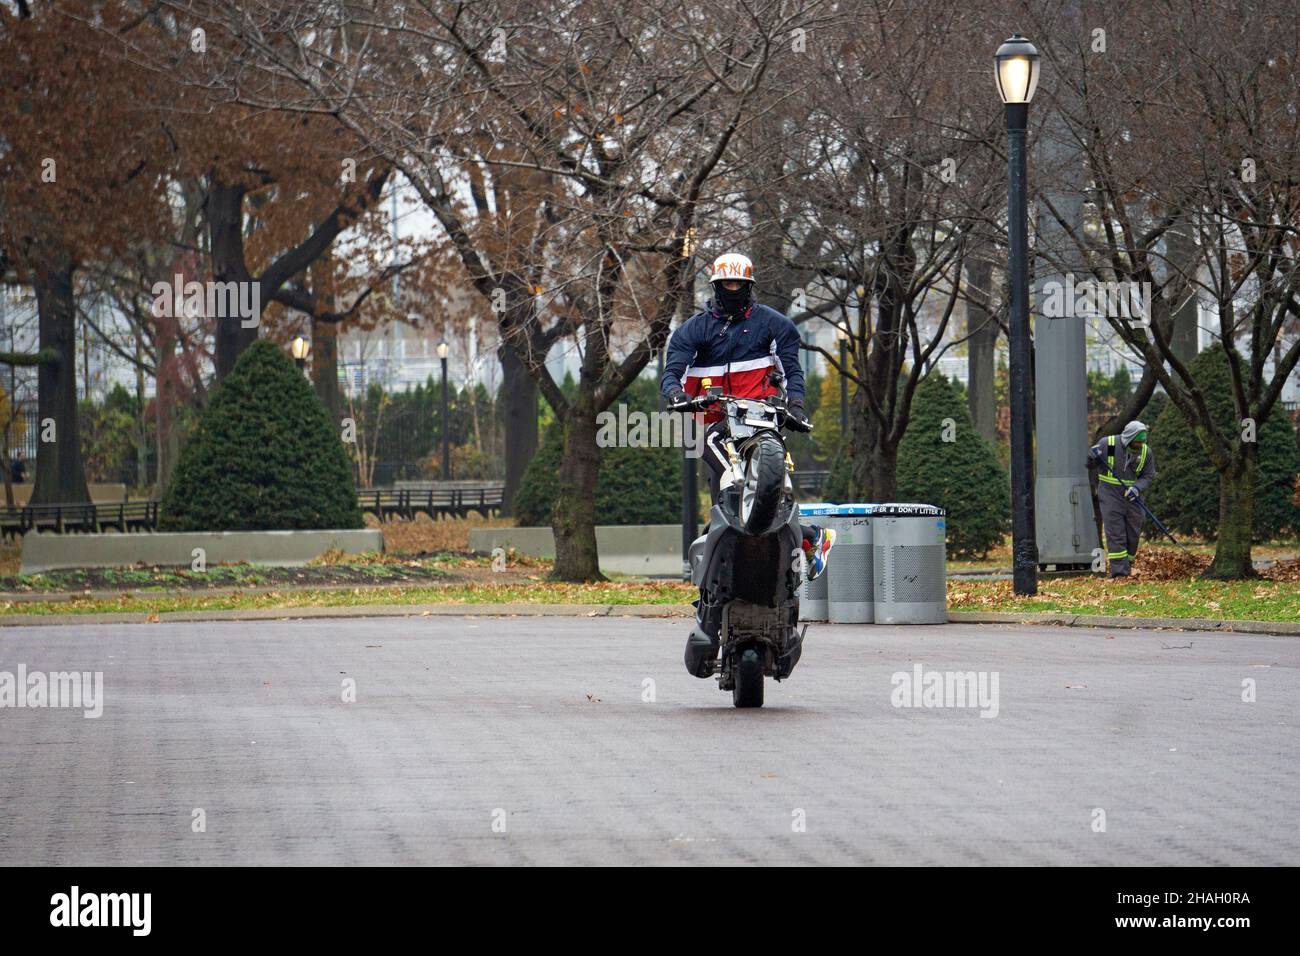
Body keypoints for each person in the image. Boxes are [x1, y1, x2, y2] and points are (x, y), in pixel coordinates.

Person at [660, 252, 835, 576]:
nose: (733, 289)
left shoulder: (774, 325)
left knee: (731, 464)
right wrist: (675, 393)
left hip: (761, 416)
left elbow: (793, 371)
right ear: (715, 286)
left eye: (739, 283)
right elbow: (673, 372)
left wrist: (795, 405)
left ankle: (782, 531)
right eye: (727, 283)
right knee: (722, 510)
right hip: (716, 415)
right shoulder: (692, 330)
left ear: (749, 285)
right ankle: (807, 537)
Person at [1086, 420, 1157, 577]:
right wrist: (1092, 457)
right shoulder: (1108, 444)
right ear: (1129, 438)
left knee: (1133, 533)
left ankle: (1127, 564)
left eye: (1142, 442)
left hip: (1132, 497)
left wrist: (1137, 488)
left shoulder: (1146, 452)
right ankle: (1120, 573)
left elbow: (1149, 475)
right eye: (1137, 442)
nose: (1140, 445)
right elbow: (1090, 465)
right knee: (1115, 532)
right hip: (1110, 494)